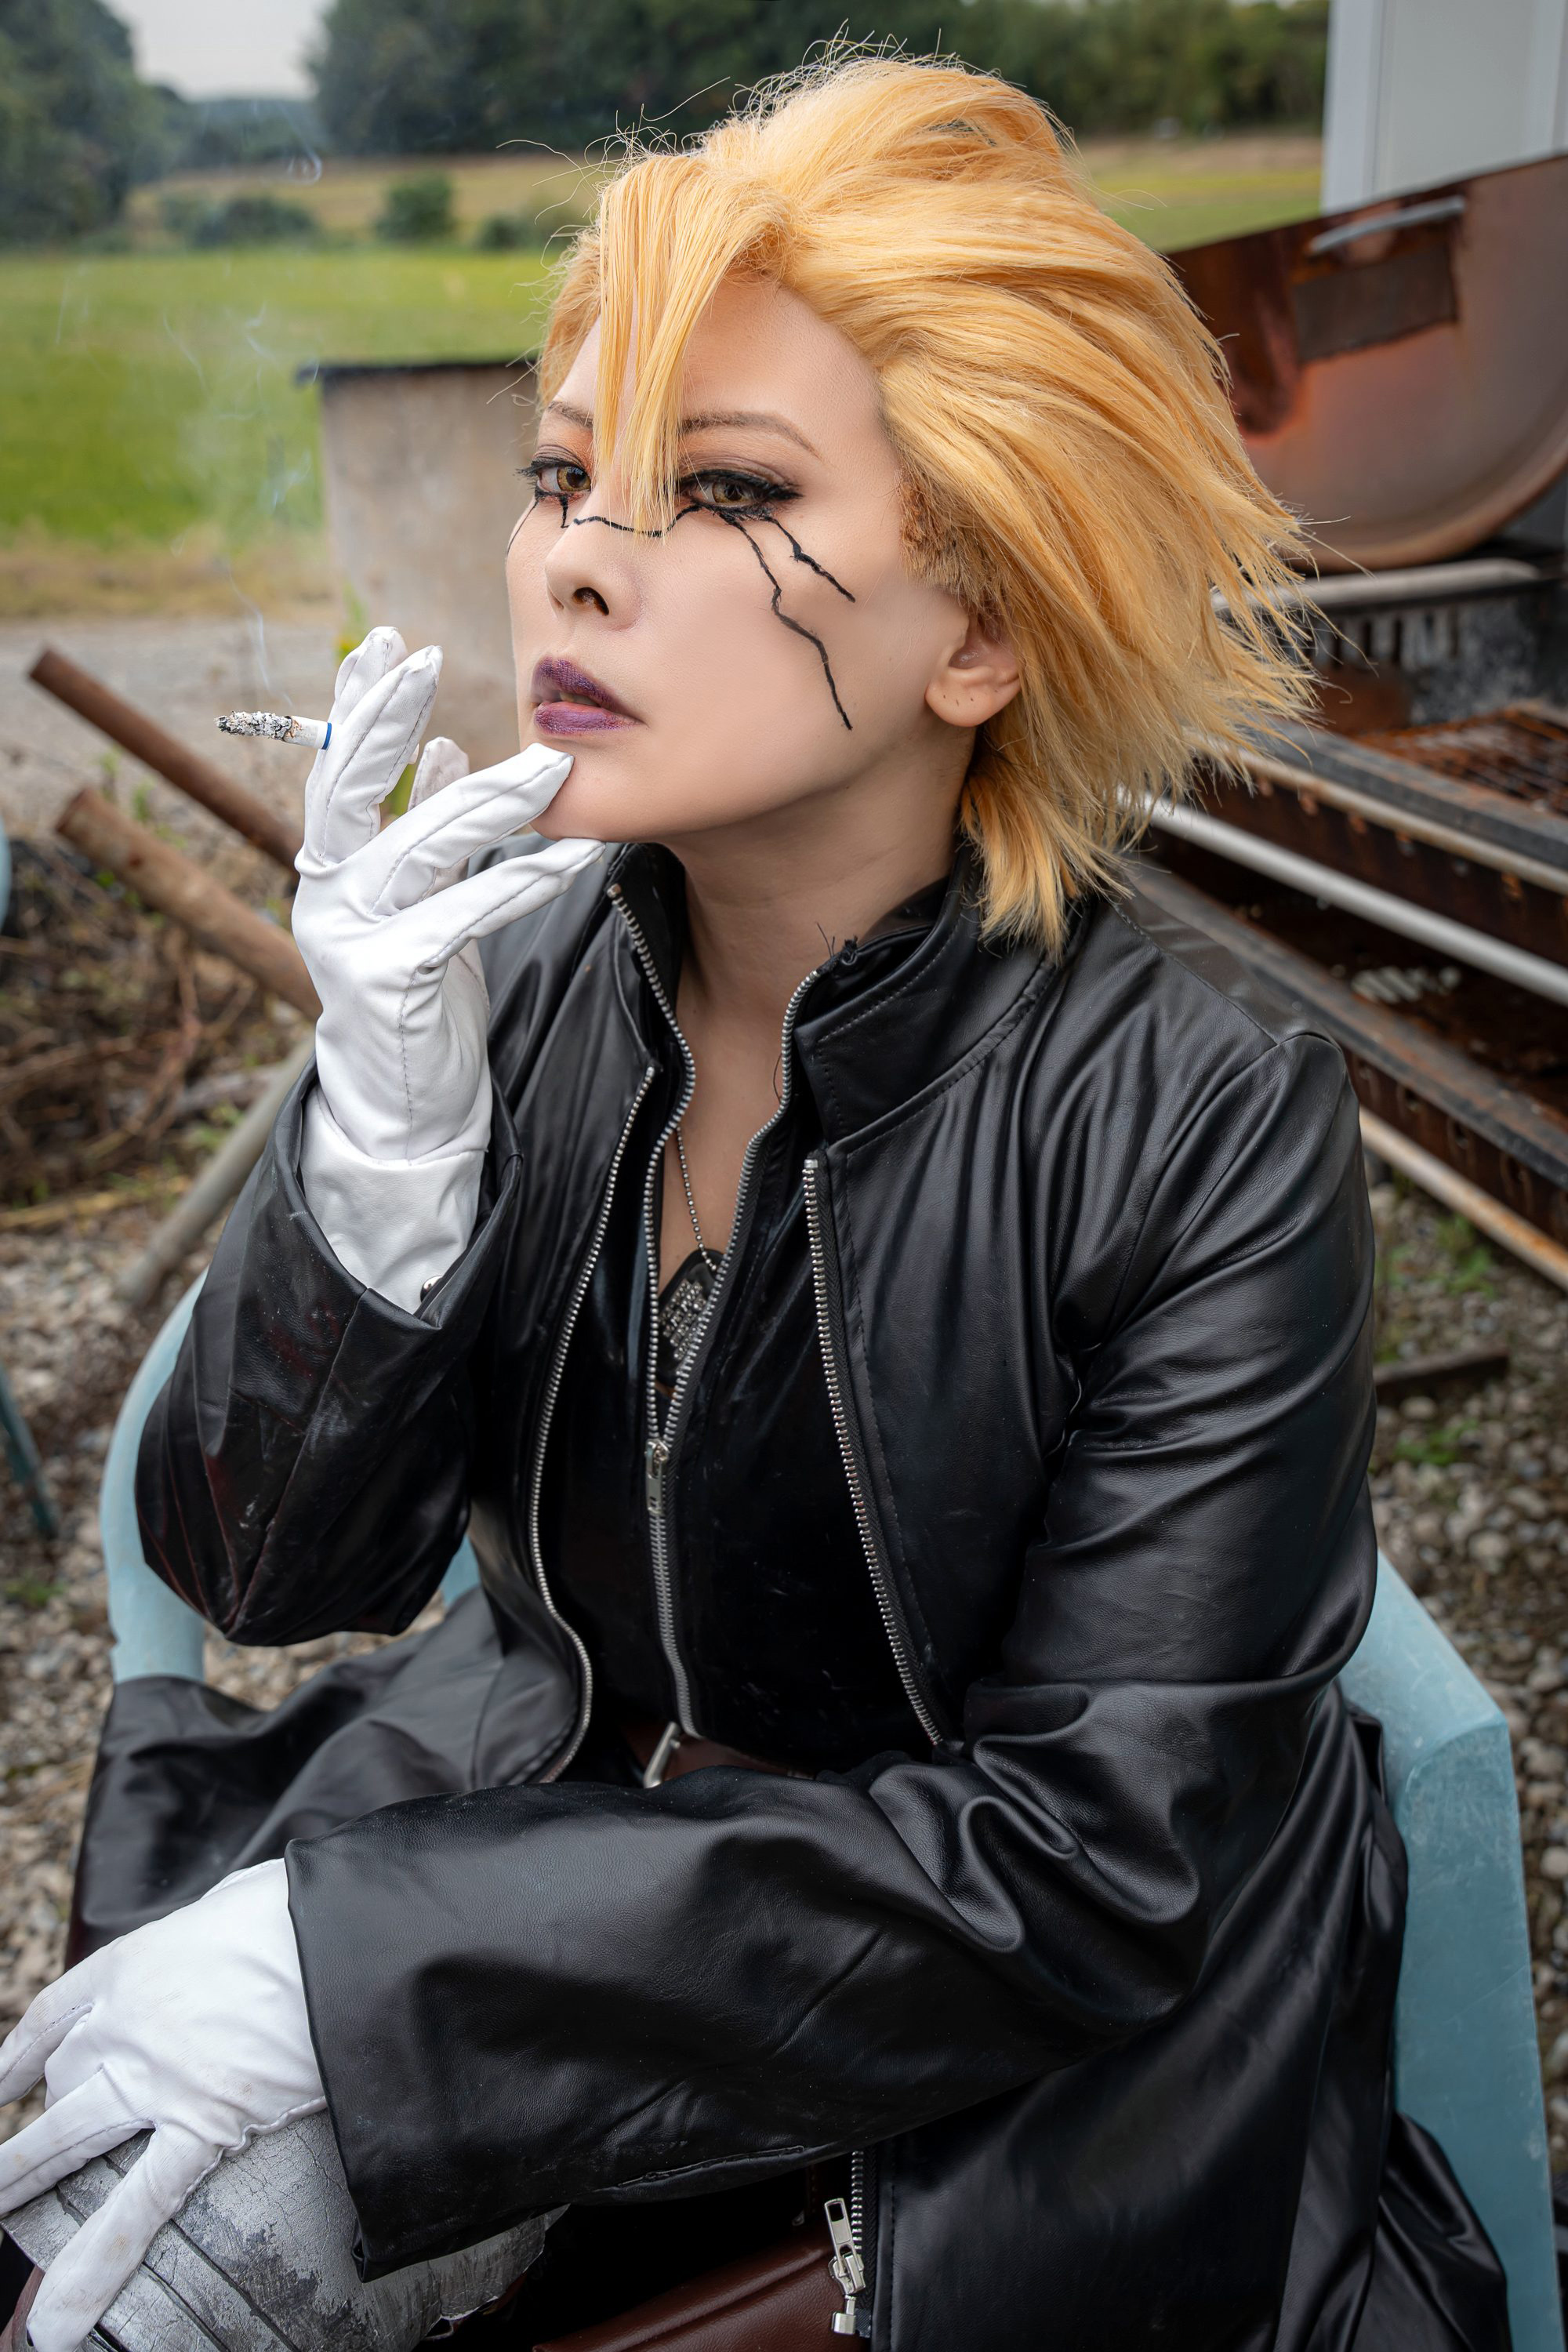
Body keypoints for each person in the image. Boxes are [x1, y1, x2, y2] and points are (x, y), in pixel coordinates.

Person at [0, 53, 1509, 2352]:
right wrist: (380, 1154)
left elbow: (1089, 1869)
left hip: (1010, 2086)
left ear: (982, 628)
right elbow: (266, 1574)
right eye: (562, 475)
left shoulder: (1202, 1119)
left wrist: (365, 1979)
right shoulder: (521, 994)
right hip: (556, 1881)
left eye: (726, 490)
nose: (579, 557)